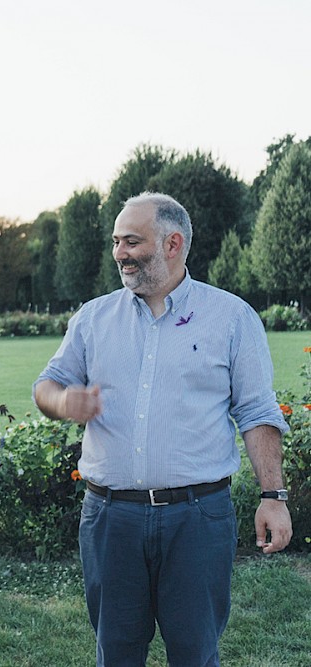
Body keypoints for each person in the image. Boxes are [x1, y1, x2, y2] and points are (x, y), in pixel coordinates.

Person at [33, 192, 291, 666]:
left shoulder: (232, 318)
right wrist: (61, 401)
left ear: (173, 244)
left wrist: (273, 497)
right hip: (110, 519)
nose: (119, 253)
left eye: (132, 241)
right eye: (116, 242)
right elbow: (45, 386)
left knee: (195, 653)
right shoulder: (93, 319)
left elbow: (256, 413)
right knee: (117, 654)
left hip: (197, 520)